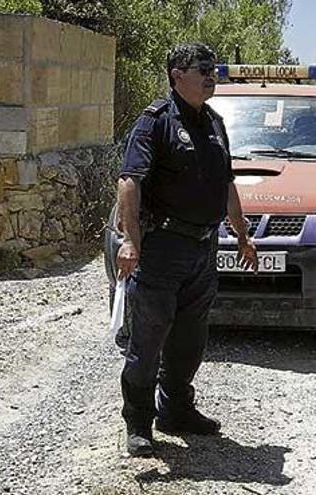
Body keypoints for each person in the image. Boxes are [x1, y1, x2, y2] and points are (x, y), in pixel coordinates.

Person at [116, 42, 258, 457]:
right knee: (147, 342)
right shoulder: (155, 122)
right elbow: (130, 181)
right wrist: (130, 240)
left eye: (214, 69)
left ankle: (176, 411)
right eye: (203, 69)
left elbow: (226, 184)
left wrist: (243, 236)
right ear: (178, 75)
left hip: (202, 250)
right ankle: (139, 424)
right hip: (161, 249)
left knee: (189, 342)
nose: (211, 76)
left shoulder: (215, 122)